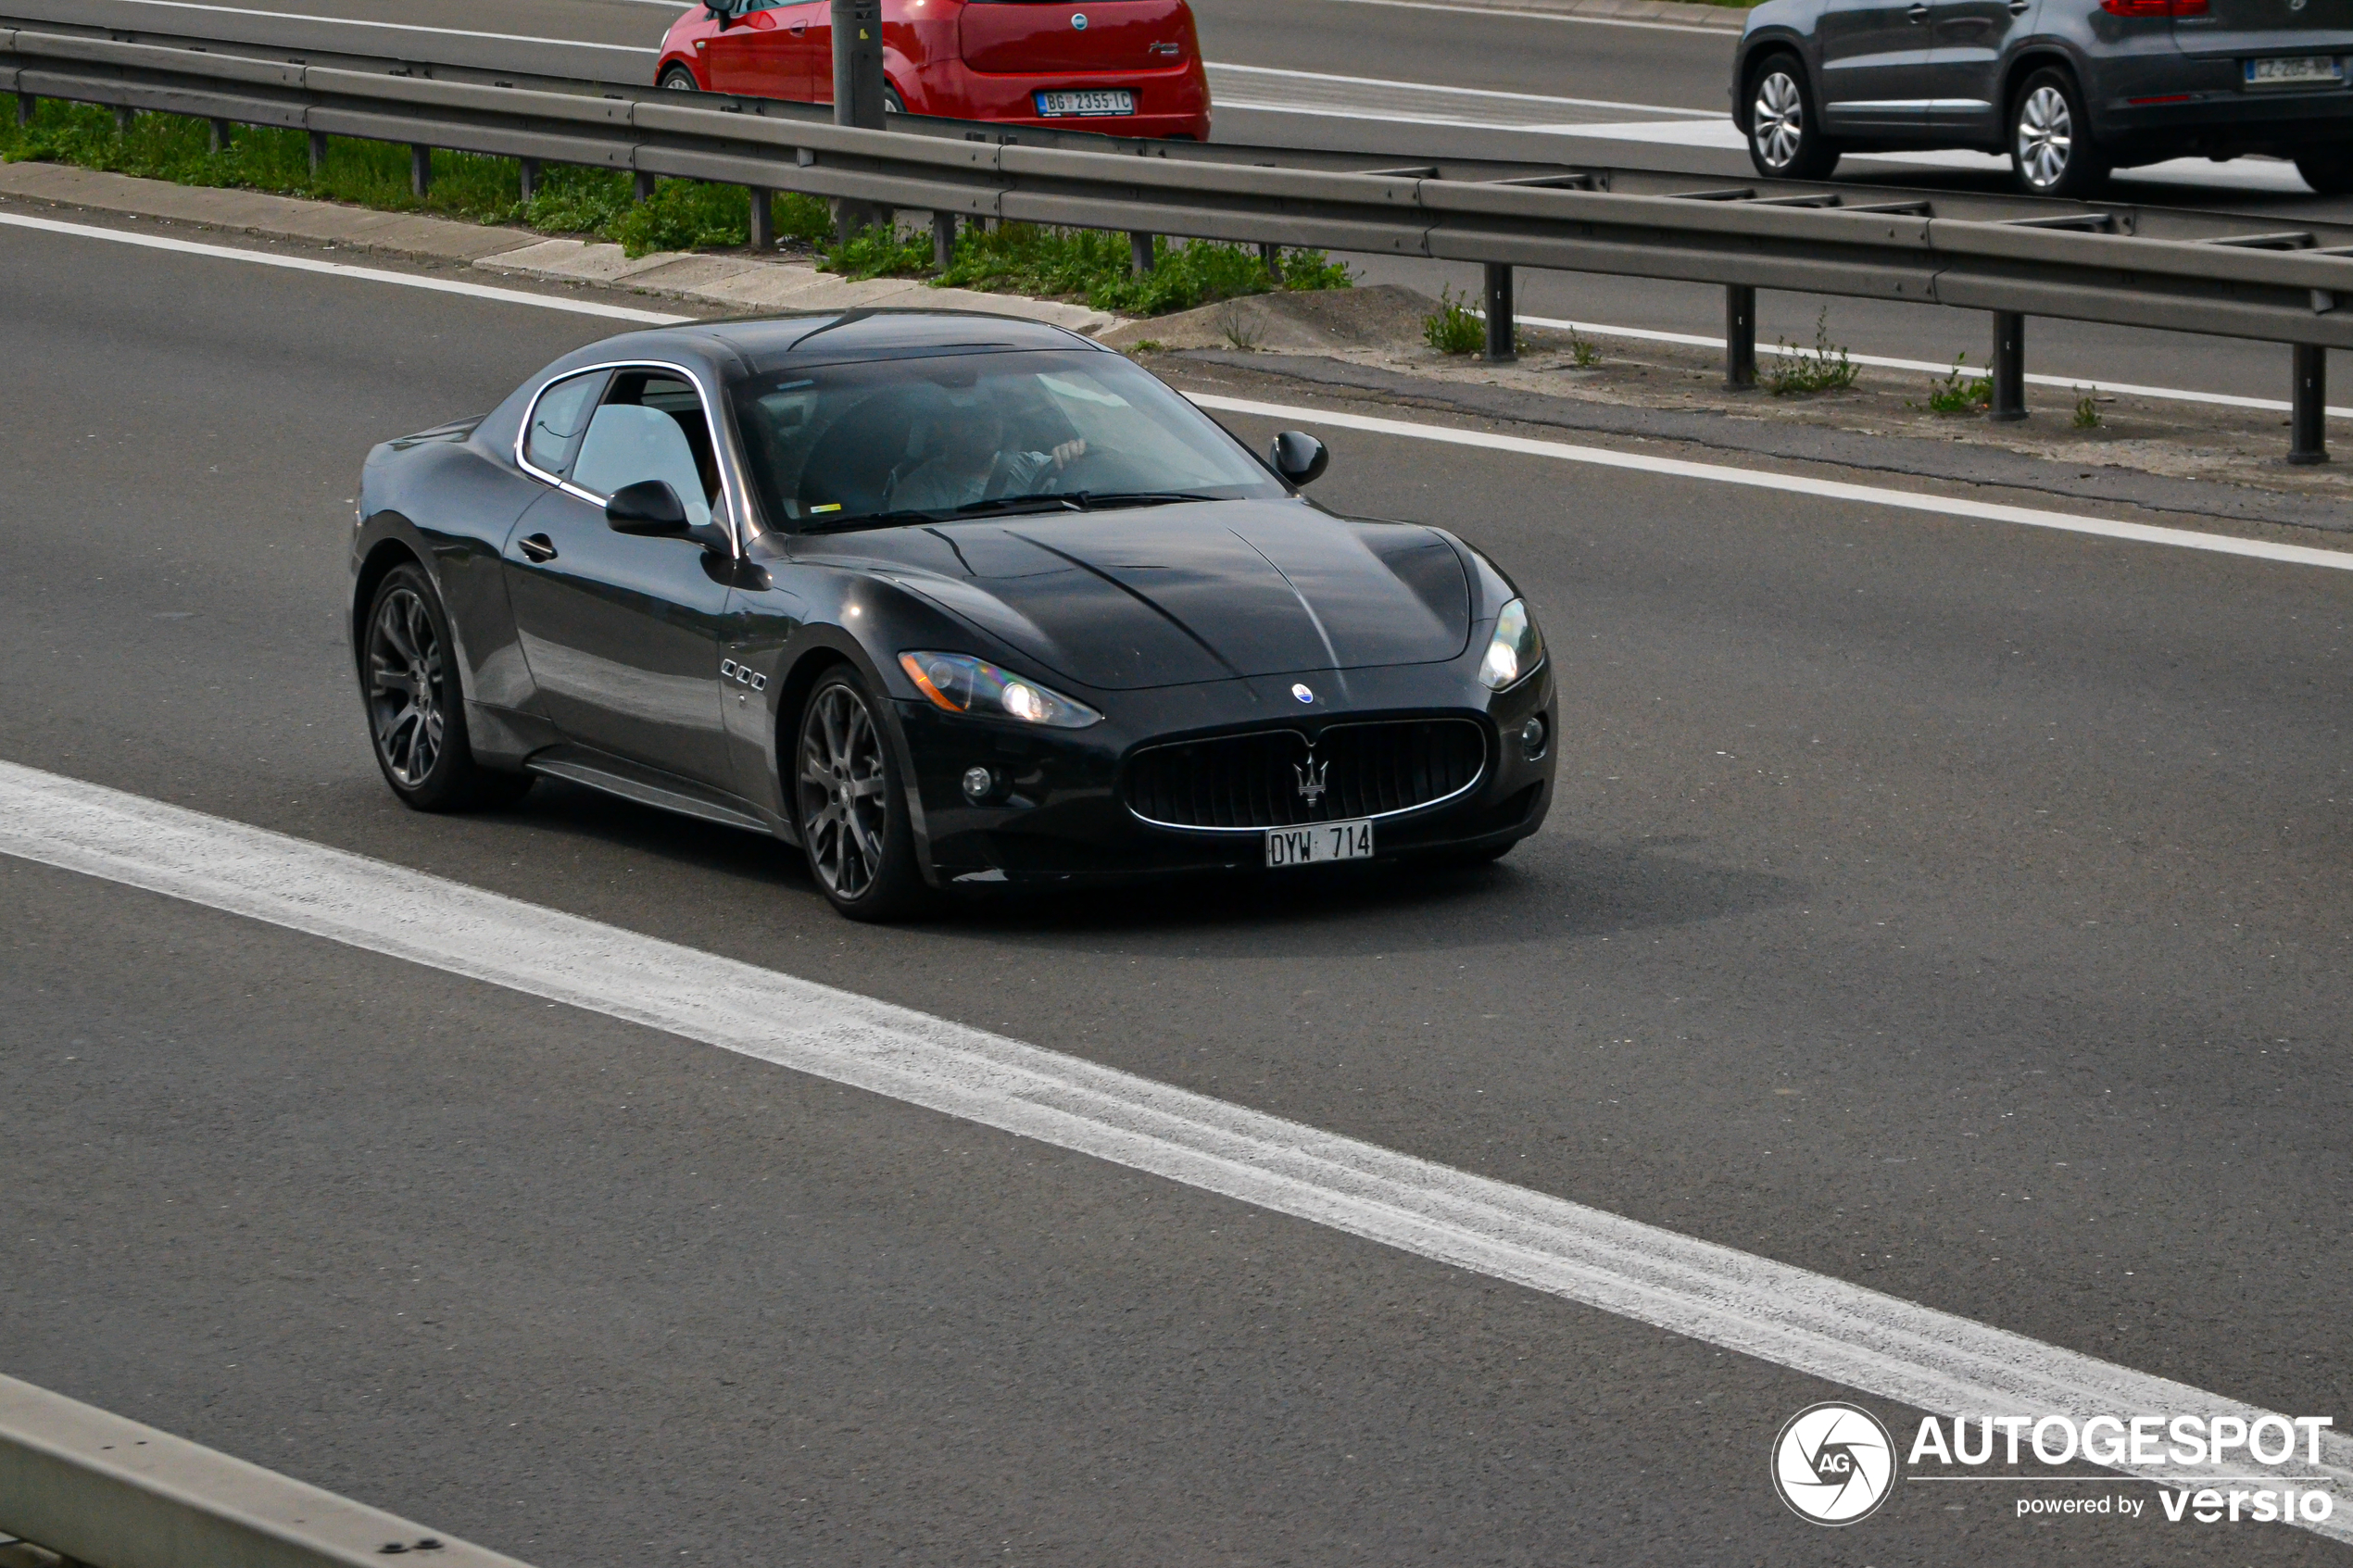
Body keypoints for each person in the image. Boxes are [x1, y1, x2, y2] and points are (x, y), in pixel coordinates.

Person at [889, 402, 1085, 514]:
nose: (983, 424)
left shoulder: (1032, 465)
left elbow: (1073, 467)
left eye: (989, 414)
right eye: (967, 416)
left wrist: (1074, 456)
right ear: (943, 428)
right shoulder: (919, 493)